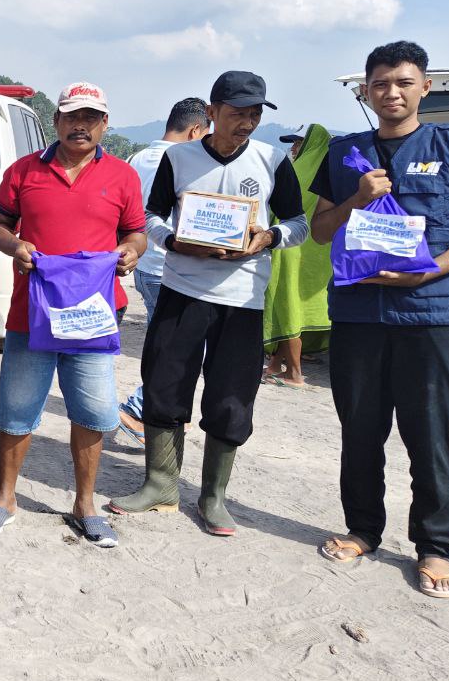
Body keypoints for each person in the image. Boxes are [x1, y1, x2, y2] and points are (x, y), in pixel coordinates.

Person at [310, 41, 449, 600]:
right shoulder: (344, 152)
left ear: (424, 88)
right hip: (359, 315)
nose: (392, 92)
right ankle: (363, 529)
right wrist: (358, 197)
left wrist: (423, 276)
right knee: (360, 428)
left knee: (434, 435)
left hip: (433, 315)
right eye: (380, 83)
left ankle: (434, 545)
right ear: (366, 89)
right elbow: (320, 229)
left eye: (403, 82)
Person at [107, 71, 308, 536]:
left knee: (231, 396)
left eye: (255, 113)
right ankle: (160, 484)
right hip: (182, 291)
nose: (247, 122)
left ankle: (213, 497)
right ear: (212, 113)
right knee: (163, 383)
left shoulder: (272, 160)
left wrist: (270, 236)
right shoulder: (178, 158)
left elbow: (297, 223)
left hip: (243, 299)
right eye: (237, 113)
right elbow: (150, 217)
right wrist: (176, 243)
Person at [0, 82, 146, 546]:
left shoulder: (124, 176)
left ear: (105, 124)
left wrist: (129, 252)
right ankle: (5, 499)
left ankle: (85, 504)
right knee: (16, 409)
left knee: (91, 413)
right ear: (57, 121)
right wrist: (15, 245)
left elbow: (136, 232)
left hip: (93, 319)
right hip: (32, 315)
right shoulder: (22, 171)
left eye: (90, 117)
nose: (80, 125)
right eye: (71, 116)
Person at [117, 97, 210, 443]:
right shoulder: (184, 160)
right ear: (195, 130)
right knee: (180, 349)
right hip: (168, 267)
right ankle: (140, 408)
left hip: (144, 264)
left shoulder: (137, 157)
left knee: (168, 345)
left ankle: (162, 408)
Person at [261, 124, 333, 387]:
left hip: (292, 252)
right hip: (317, 256)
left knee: (287, 307)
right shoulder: (329, 172)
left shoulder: (300, 172)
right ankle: (275, 364)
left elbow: (275, 208)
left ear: (312, 144)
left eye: (298, 143)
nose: (293, 149)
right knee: (292, 309)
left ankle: (293, 373)